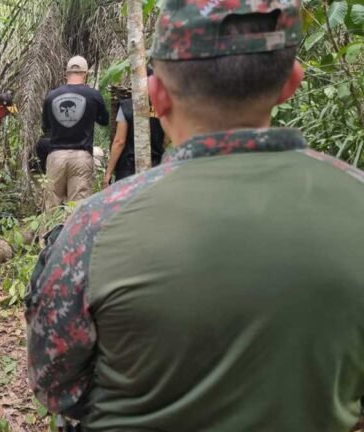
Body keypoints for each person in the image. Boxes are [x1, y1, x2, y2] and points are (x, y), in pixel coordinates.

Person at [26, 0, 364, 430]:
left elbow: (54, 383)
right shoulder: (356, 200)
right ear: (291, 83)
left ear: (157, 94)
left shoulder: (98, 226)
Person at [42, 56, 109, 209]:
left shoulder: (51, 96)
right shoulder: (93, 95)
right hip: (81, 156)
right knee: (78, 207)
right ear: (86, 73)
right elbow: (104, 121)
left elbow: (45, 127)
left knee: (51, 205)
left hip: (56, 156)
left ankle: (48, 233)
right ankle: (74, 233)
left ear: (66, 74)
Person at [103, 68, 166, 186]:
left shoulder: (127, 106)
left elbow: (119, 142)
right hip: (155, 170)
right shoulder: (162, 108)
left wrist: (108, 173)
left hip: (128, 171)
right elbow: (166, 139)